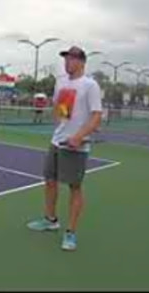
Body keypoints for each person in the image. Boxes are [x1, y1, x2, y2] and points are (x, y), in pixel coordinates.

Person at [27, 46, 102, 252]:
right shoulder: (61, 82)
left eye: (71, 59)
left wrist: (78, 136)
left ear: (81, 62)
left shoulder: (90, 85)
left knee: (74, 187)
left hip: (76, 146)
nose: (67, 62)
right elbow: (61, 111)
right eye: (66, 59)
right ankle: (51, 220)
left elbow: (96, 116)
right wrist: (61, 125)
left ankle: (70, 233)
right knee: (50, 180)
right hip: (57, 141)